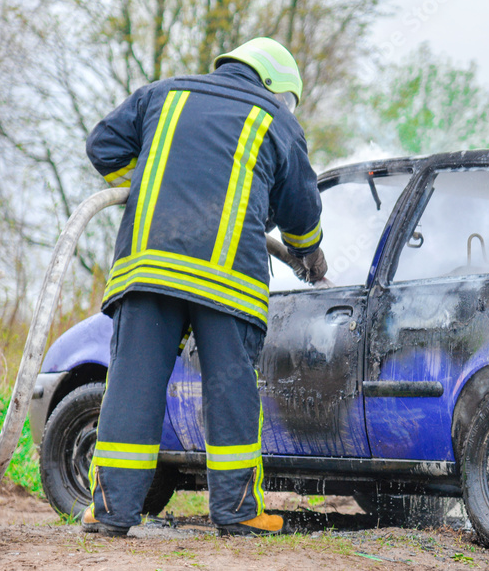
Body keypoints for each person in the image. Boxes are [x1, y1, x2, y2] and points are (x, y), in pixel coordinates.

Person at [80, 37, 327, 537]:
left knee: (132, 386)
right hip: (227, 280)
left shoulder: (164, 94)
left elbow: (101, 147)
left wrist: (155, 177)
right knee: (230, 390)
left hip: (149, 269)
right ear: (277, 88)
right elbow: (301, 216)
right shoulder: (277, 122)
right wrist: (310, 252)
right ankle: (238, 514)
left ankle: (109, 513)